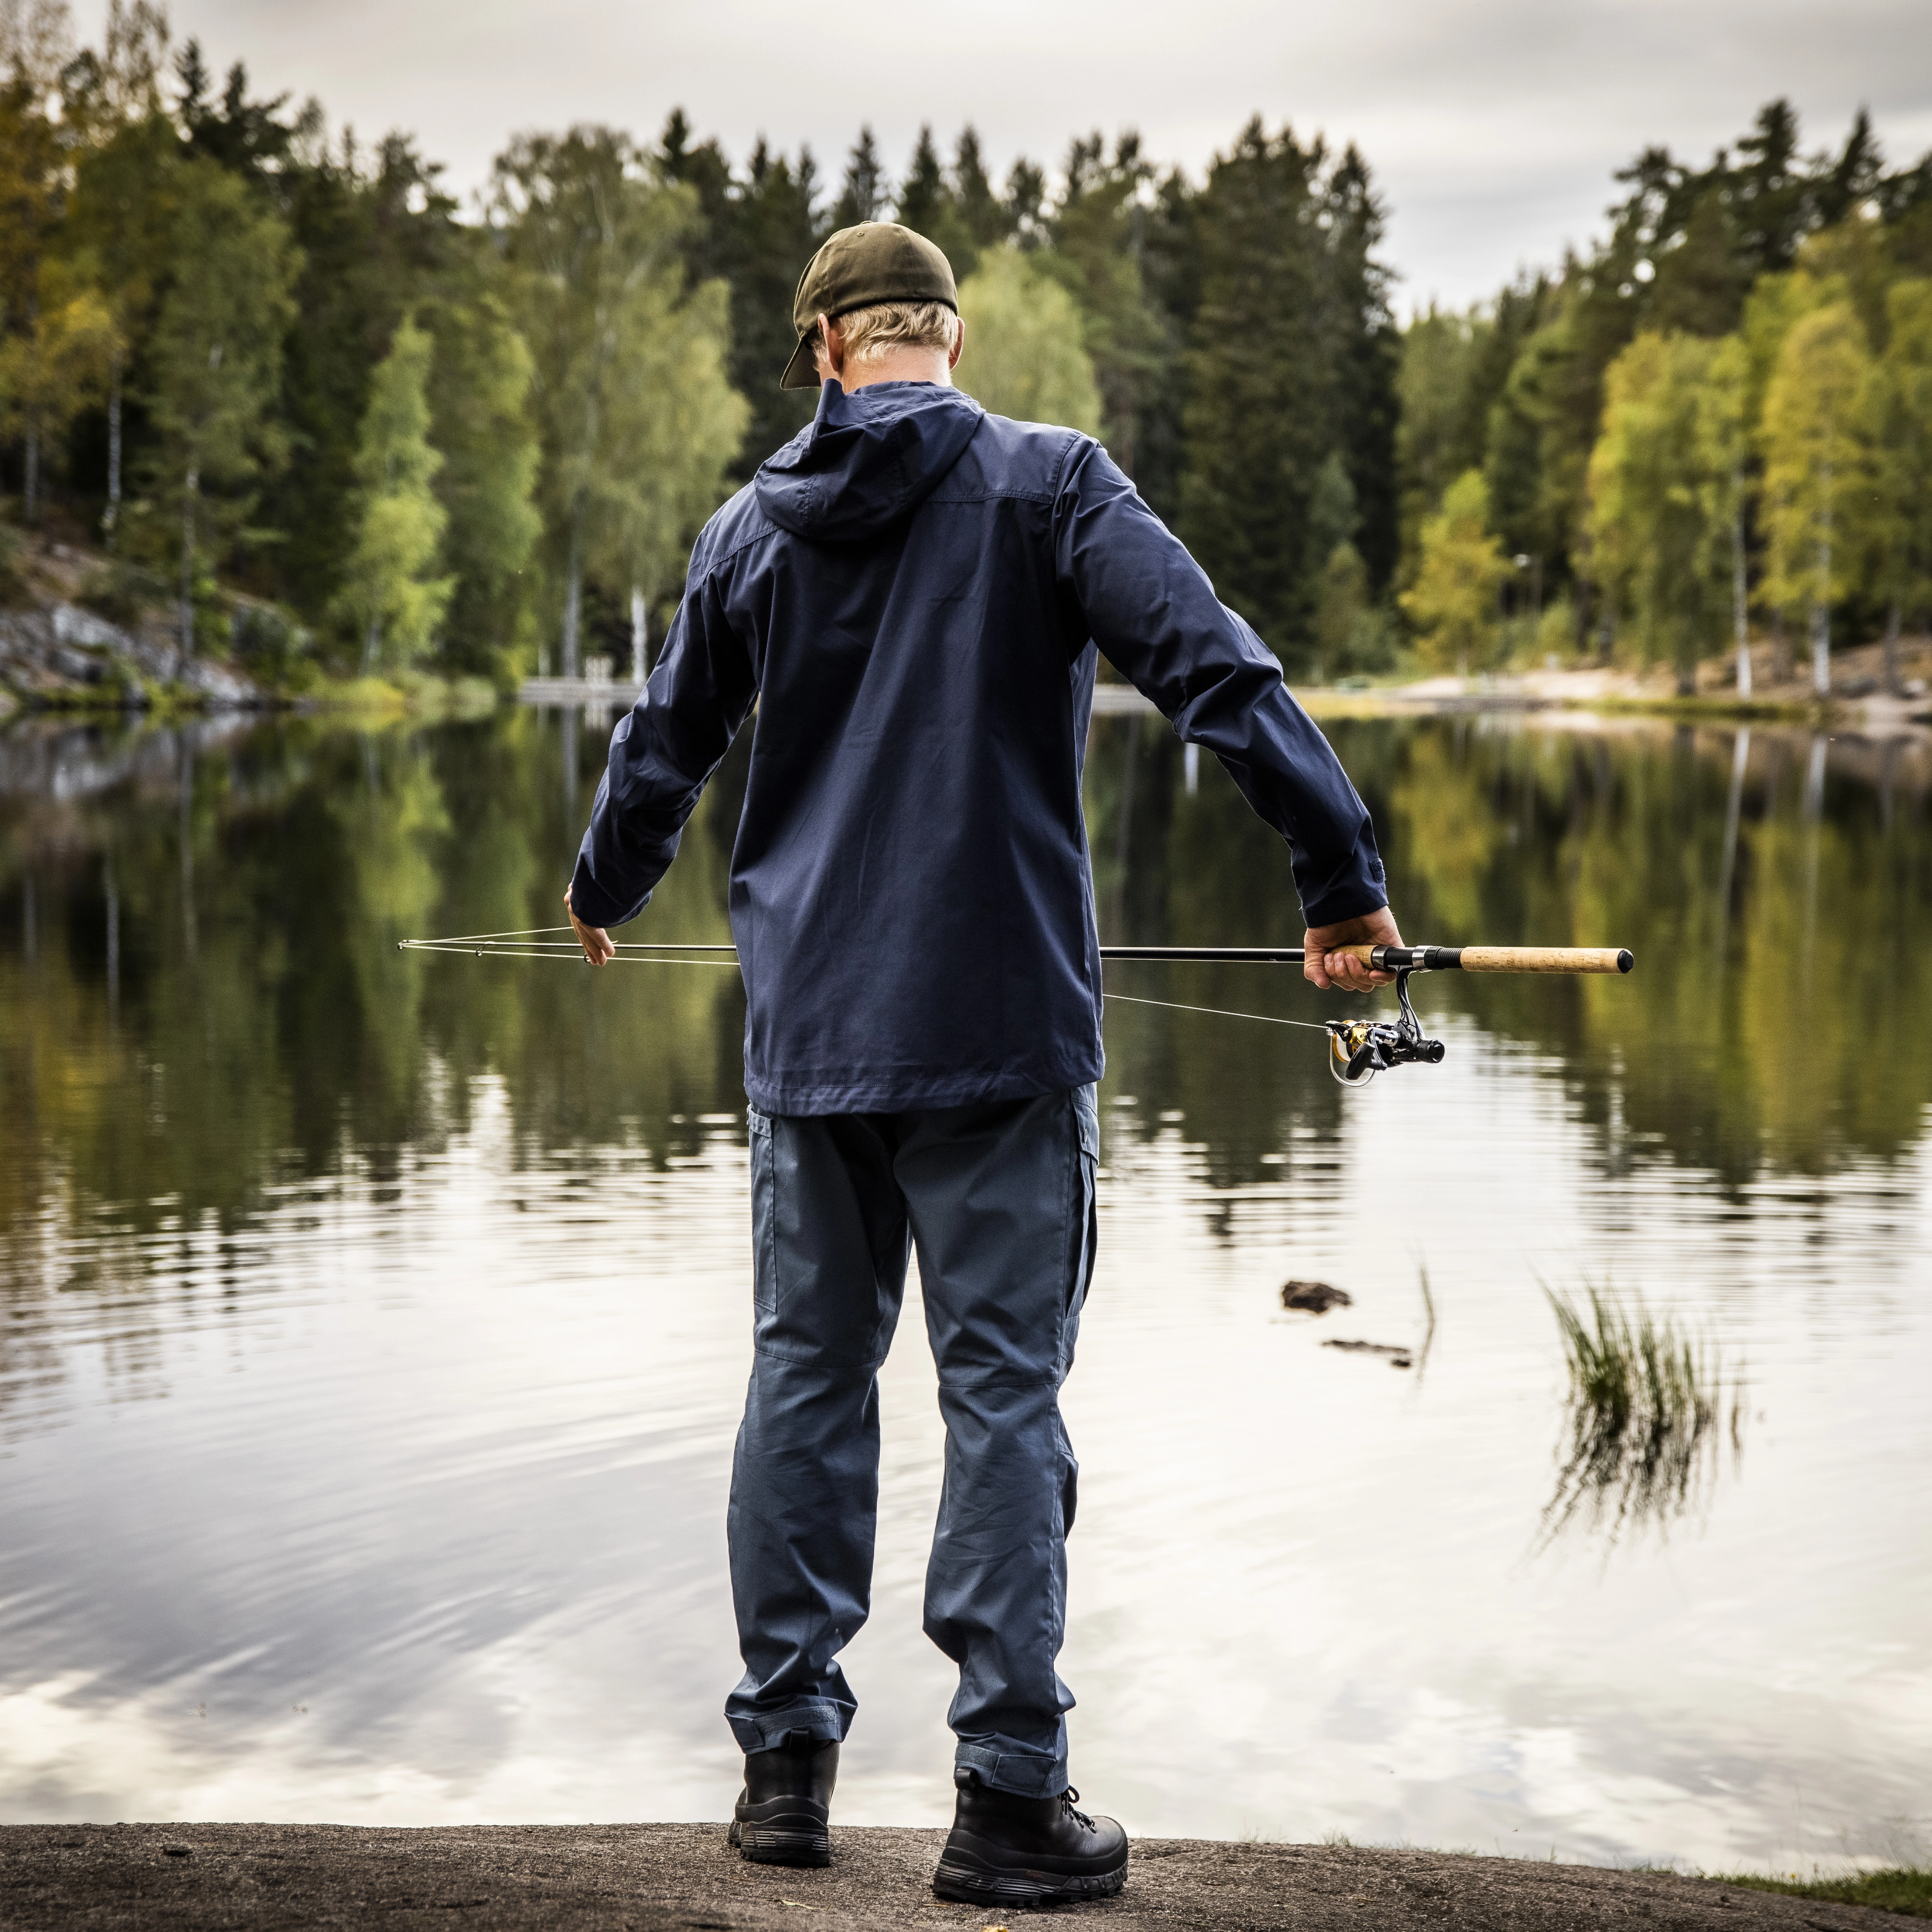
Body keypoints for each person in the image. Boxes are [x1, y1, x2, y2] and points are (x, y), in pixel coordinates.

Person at [564, 221, 1402, 1909]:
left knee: (804, 1381)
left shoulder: (749, 527)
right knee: (1003, 1393)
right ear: (948, 336)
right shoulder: (1053, 483)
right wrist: (1338, 877)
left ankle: (785, 1775)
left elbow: (664, 741)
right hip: (1005, 1037)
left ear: (826, 349)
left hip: (813, 1042)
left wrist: (604, 884)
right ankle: (1009, 1800)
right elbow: (1219, 673)